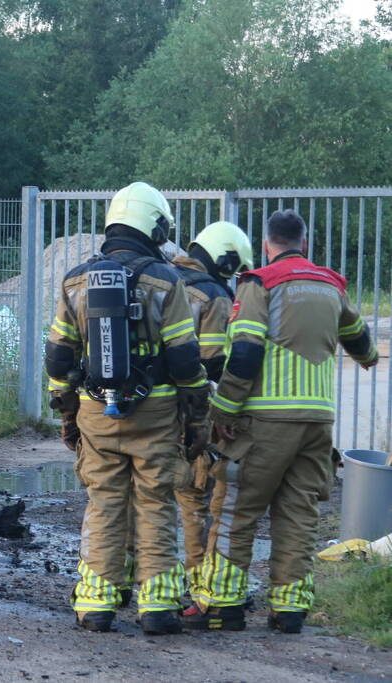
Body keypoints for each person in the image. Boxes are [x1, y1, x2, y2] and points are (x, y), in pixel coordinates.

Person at [183, 209, 378, 633]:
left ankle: (222, 606)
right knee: (299, 515)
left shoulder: (260, 284)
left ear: (268, 245)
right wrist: (367, 357)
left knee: (236, 511)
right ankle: (289, 610)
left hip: (265, 423)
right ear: (304, 243)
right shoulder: (332, 285)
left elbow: (248, 352)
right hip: (317, 424)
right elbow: (362, 343)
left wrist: (224, 412)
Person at [45, 181, 210, 635]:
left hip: (94, 411)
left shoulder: (76, 280)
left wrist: (66, 415)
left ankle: (96, 603)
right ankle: (157, 606)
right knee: (155, 501)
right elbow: (184, 359)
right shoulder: (168, 280)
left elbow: (59, 356)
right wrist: (197, 417)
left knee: (103, 502)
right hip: (155, 413)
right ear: (154, 225)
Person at [171, 221, 253, 604]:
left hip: (148, 407)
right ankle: (198, 580)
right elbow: (213, 362)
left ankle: (126, 579)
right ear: (225, 260)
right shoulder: (214, 294)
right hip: (191, 410)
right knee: (195, 497)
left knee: (140, 497)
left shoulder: (162, 277)